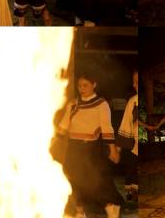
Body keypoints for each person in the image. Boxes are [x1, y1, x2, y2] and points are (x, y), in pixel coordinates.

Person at [57, 73, 122, 218]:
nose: (81, 88)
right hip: (73, 148)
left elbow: (107, 128)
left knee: (97, 179)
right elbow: (64, 125)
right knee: (73, 178)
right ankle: (79, 211)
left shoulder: (101, 104)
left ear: (94, 85)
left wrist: (112, 149)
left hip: (91, 148)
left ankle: (112, 206)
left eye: (85, 85)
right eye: (79, 85)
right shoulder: (73, 104)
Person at [117, 71, 138, 202]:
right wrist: (119, 146)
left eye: (137, 82)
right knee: (132, 166)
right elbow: (126, 123)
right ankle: (133, 192)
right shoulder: (133, 101)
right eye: (134, 82)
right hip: (134, 143)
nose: (134, 85)